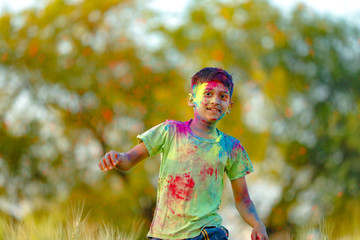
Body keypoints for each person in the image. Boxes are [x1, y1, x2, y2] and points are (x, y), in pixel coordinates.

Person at [98, 67, 269, 240]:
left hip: (208, 234)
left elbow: (242, 199)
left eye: (223, 96)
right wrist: (117, 158)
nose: (215, 101)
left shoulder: (231, 147)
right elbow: (129, 160)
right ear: (191, 99)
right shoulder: (170, 131)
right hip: (163, 235)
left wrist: (257, 224)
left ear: (229, 105)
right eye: (208, 94)